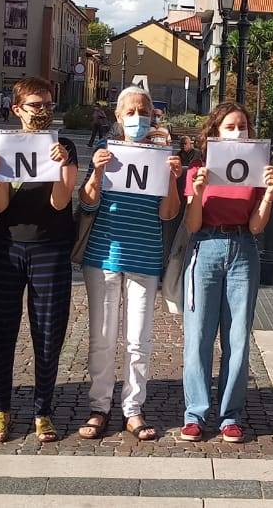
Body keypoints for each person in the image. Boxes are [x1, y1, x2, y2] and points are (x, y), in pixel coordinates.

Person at [77, 86, 180, 442]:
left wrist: (172, 178)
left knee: (139, 340)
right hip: (103, 254)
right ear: (118, 117)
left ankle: (133, 408)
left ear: (153, 116)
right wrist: (94, 174)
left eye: (144, 110)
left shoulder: (162, 156)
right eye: (130, 111)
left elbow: (168, 213)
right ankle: (99, 406)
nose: (138, 117)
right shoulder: (106, 152)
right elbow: (87, 205)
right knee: (102, 337)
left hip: (145, 255)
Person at [0, 77, 78, 444]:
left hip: (50, 249)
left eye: (48, 104)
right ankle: (0, 411)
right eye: (36, 105)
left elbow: (60, 203)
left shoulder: (63, 145)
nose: (43, 111)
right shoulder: (3, 146)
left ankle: (43, 411)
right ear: (17, 108)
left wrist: (60, 168)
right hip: (7, 247)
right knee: (0, 332)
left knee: (49, 333)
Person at [177, 102, 273, 443]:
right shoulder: (199, 170)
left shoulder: (256, 170)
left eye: (243, 126)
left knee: (238, 338)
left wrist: (269, 193)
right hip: (205, 247)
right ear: (215, 132)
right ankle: (195, 414)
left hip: (243, 248)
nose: (239, 132)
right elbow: (192, 225)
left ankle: (230, 416)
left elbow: (257, 226)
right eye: (231, 126)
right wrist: (198, 192)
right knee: (198, 337)